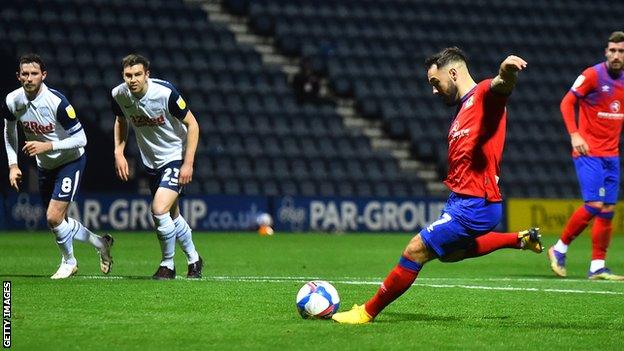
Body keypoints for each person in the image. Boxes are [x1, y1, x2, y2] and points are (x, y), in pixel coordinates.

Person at [332, 47, 540, 324]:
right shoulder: (462, 109)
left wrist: (506, 72)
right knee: (451, 254)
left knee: (414, 250)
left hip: (476, 203)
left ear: (453, 73)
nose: (434, 90)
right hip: (461, 200)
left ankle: (366, 312)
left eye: (435, 82)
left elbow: (501, 86)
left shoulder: (483, 97)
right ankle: (520, 238)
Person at [2, 54, 113, 279]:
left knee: (53, 218)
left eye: (34, 74)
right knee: (58, 221)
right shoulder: (13, 100)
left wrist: (47, 146)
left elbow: (82, 139)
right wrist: (13, 165)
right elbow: (9, 131)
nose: (29, 78)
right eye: (25, 74)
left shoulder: (57, 102)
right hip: (45, 166)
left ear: (44, 75)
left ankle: (69, 262)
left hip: (70, 161)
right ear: (18, 76)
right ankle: (101, 244)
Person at [111, 54, 203, 279]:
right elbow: (121, 120)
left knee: (159, 209)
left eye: (137, 75)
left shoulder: (165, 93)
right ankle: (194, 260)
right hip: (150, 160)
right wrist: (118, 151)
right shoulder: (119, 94)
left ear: (147, 75)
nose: (132, 80)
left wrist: (188, 163)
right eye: (128, 75)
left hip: (175, 155)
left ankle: (167, 265)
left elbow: (193, 125)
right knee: (172, 216)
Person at [548, 31, 624, 281]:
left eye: (621, 51)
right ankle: (559, 249)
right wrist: (574, 134)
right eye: (612, 50)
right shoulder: (592, 75)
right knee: (594, 204)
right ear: (605, 52)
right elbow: (566, 103)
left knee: (608, 209)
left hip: (612, 155)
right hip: (588, 151)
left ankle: (597, 266)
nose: (616, 55)